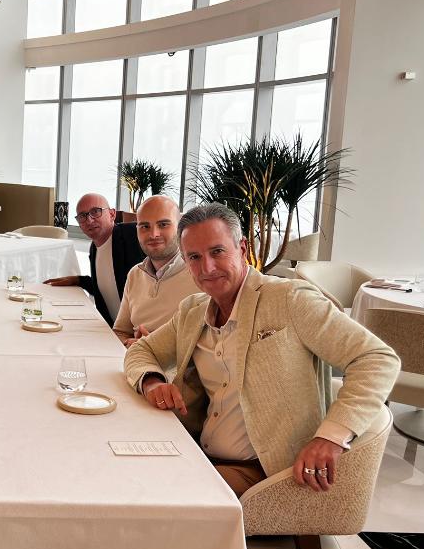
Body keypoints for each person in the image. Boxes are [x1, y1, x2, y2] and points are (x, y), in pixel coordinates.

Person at [124, 203, 399, 497]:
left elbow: (377, 359)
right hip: (199, 452)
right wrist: (152, 382)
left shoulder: (289, 299)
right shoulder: (192, 311)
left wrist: (331, 437)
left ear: (242, 248)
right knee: (123, 471)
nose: (207, 268)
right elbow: (141, 352)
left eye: (217, 251)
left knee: (154, 495)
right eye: (194, 257)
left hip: (268, 471)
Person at [112, 195, 200, 347]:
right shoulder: (135, 274)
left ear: (180, 227)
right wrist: (131, 345)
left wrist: (152, 347)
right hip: (134, 359)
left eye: (163, 224)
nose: (154, 234)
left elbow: (207, 346)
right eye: (145, 226)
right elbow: (120, 332)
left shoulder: (199, 276)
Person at [45, 193, 144, 322]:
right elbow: (108, 288)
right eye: (82, 216)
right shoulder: (94, 248)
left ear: (112, 214)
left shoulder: (131, 234)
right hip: (113, 329)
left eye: (96, 211)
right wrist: (79, 280)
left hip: (142, 329)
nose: (89, 220)